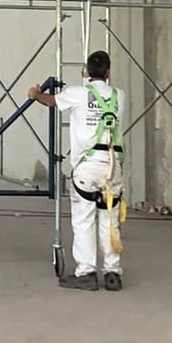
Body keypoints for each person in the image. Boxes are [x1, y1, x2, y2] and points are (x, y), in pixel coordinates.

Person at [28, 50, 126, 290]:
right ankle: (112, 272)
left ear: (85, 72)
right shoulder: (119, 96)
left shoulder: (76, 94)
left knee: (84, 221)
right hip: (113, 166)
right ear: (108, 72)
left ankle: (86, 272)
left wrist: (34, 94)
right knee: (109, 221)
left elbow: (50, 101)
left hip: (87, 168)